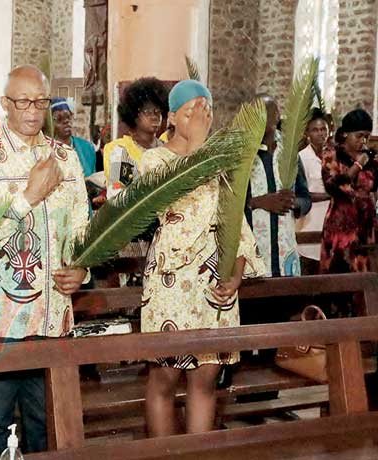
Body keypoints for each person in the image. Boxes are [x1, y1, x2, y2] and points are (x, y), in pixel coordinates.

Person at [0, 65, 89, 453]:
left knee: (46, 422)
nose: (33, 110)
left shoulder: (65, 156)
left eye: (41, 101)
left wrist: (82, 266)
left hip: (54, 314)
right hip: (2, 316)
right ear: (5, 104)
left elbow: (81, 227)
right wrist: (26, 198)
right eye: (23, 102)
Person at [138, 80, 263, 438]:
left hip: (214, 283)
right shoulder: (155, 160)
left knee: (206, 377)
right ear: (172, 118)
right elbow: (176, 214)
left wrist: (236, 274)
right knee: (165, 375)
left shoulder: (222, 163)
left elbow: (236, 221)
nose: (198, 118)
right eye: (190, 111)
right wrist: (196, 147)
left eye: (205, 110)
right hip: (171, 280)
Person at [245, 94, 311, 277]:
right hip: (252, 252)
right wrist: (257, 202)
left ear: (276, 116)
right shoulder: (242, 156)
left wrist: (293, 203)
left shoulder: (289, 153)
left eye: (265, 112)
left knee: (287, 304)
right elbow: (228, 204)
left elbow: (306, 199)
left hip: (285, 250)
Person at [320, 108, 378, 274]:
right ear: (345, 134)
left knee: (365, 285)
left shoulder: (370, 159)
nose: (364, 141)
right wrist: (358, 165)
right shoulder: (332, 155)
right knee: (339, 282)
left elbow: (373, 187)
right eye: (359, 136)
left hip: (365, 230)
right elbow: (334, 186)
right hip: (340, 230)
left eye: (366, 136)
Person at [103, 77, 169, 197]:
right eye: (147, 112)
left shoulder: (167, 148)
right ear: (133, 114)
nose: (154, 116)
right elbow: (118, 196)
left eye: (158, 111)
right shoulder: (122, 151)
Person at [297, 108, 333, 261]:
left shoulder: (334, 156)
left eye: (323, 129)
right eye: (315, 130)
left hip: (331, 223)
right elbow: (302, 194)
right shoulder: (302, 157)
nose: (320, 133)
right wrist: (331, 194)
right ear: (307, 134)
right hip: (310, 224)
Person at [51, 97, 96, 178]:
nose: (66, 121)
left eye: (68, 117)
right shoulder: (46, 150)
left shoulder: (87, 148)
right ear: (51, 124)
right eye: (59, 119)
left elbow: (94, 180)